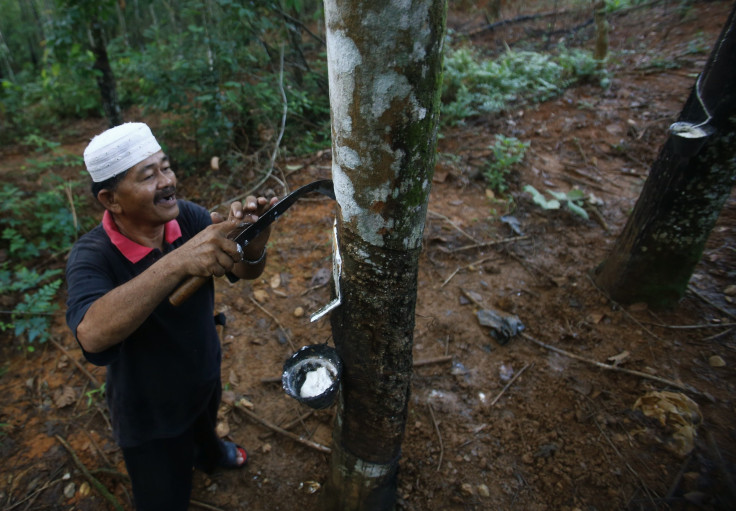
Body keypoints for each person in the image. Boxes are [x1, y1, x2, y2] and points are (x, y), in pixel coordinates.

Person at [65, 122, 278, 510]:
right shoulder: (92, 257)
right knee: (164, 495)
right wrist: (179, 260)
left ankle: (211, 455)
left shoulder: (189, 218)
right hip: (149, 411)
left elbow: (246, 271)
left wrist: (254, 242)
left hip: (203, 372)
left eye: (166, 167)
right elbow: (92, 335)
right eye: (149, 175)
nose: (168, 181)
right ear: (111, 200)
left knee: (205, 426)